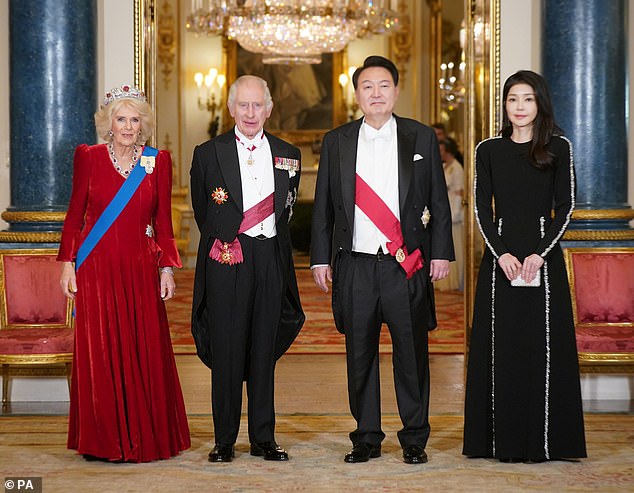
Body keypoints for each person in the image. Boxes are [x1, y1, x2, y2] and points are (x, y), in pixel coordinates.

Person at [311, 56, 454, 465]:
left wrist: (441, 251)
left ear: (395, 90)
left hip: (404, 263)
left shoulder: (421, 137)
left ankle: (414, 437)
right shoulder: (337, 140)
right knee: (360, 354)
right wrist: (320, 259)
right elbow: (323, 207)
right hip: (354, 265)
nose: (376, 93)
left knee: (411, 353)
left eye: (384, 85)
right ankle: (366, 437)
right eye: (367, 86)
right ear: (356, 94)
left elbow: (437, 201)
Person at [58, 84, 190, 462]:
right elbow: (74, 215)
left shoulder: (157, 161)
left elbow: (162, 222)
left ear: (143, 125)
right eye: (121, 119)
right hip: (96, 268)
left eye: (135, 120)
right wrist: (67, 264)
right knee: (101, 350)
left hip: (139, 268)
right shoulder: (89, 157)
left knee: (142, 347)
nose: (129, 127)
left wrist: (167, 267)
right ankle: (103, 440)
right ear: (108, 123)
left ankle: (143, 436)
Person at [463, 70, 586, 462]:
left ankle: (548, 441)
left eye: (528, 99)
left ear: (540, 103)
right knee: (502, 348)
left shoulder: (559, 147)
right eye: (513, 99)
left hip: (542, 264)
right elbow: (482, 209)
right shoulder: (488, 149)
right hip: (500, 263)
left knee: (541, 349)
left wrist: (539, 253)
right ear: (505, 104)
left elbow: (565, 209)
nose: (519, 107)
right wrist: (501, 253)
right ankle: (497, 441)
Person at [190, 75, 305, 463]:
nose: (251, 112)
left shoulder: (289, 154)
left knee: (262, 350)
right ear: (231, 108)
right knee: (227, 349)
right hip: (228, 259)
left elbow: (287, 210)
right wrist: (227, 237)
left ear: (269, 109)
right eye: (244, 105)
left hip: (270, 258)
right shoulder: (208, 153)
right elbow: (203, 212)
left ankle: (263, 438)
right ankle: (224, 439)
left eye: (258, 105)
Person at [435, 137, 464, 291]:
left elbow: (460, 192)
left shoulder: (457, 168)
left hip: (454, 208)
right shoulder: (445, 166)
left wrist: (456, 212)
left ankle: (454, 281)